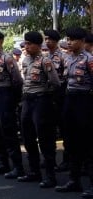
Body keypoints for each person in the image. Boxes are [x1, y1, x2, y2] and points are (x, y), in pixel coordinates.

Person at [17, 31, 60, 188]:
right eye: (25, 44)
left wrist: (46, 96)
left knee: (44, 138)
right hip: (27, 101)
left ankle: (50, 176)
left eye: (29, 44)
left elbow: (55, 82)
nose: (26, 47)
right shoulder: (25, 60)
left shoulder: (45, 60)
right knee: (27, 137)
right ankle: (34, 171)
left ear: (38, 45)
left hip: (41, 101)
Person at [55, 27, 93, 199]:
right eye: (68, 39)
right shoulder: (67, 58)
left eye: (73, 39)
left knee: (87, 144)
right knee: (70, 142)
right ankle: (74, 180)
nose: (69, 42)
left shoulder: (89, 59)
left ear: (82, 41)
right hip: (69, 100)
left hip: (84, 102)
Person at [0, 30, 25, 179]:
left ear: (1, 42)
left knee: (8, 132)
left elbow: (17, 81)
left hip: (4, 95)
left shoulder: (7, 58)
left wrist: (13, 100)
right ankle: (3, 164)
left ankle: (18, 167)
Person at [43, 29, 68, 172]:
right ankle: (50, 159)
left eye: (50, 39)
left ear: (56, 41)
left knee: (65, 130)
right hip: (48, 96)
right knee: (48, 130)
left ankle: (67, 160)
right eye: (46, 39)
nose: (47, 41)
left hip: (61, 96)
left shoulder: (63, 56)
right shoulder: (45, 57)